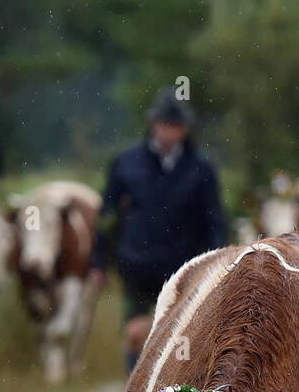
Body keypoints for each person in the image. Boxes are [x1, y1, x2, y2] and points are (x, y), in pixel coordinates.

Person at [89, 88, 225, 373]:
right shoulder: (126, 163)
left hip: (185, 265)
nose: (168, 132)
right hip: (137, 262)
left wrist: (218, 261)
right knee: (137, 334)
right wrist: (98, 262)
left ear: (185, 129)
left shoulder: (201, 170)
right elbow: (107, 216)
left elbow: (213, 219)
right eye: (164, 124)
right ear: (153, 123)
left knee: (181, 337)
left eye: (175, 126)